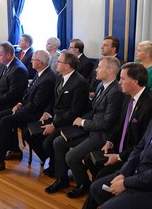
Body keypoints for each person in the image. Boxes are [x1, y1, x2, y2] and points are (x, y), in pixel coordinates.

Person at [90, 75, 152, 209]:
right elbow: (140, 147)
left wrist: (126, 183)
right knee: (96, 188)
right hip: (139, 175)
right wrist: (123, 173)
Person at [45, 56, 124, 198]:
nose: (96, 70)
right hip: (90, 128)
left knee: (71, 156)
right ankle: (62, 178)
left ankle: (83, 184)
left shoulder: (116, 92)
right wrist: (82, 119)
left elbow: (107, 123)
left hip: (101, 135)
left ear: (110, 71)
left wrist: (83, 123)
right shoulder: (102, 85)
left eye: (99, 67)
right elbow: (94, 110)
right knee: (58, 142)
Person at [82, 63, 152, 209]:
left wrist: (119, 157)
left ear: (135, 81)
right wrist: (110, 141)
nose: (119, 82)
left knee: (100, 177)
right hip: (119, 149)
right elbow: (120, 125)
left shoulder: (150, 105)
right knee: (90, 160)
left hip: (132, 157)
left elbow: (143, 143)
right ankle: (108, 195)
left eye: (123, 79)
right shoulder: (128, 97)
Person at [0, 50, 57, 174]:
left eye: (33, 60)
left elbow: (36, 104)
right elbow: (28, 93)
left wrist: (20, 109)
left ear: (40, 63)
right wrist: (19, 104)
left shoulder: (47, 78)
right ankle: (14, 149)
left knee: (5, 120)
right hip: (28, 108)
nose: (31, 61)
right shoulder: (41, 73)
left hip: (36, 114)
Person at [24, 50, 89, 173]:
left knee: (48, 143)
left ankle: (58, 167)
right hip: (55, 117)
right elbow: (53, 100)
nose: (56, 64)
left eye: (59, 62)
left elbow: (74, 111)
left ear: (67, 66)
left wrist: (54, 125)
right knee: (29, 133)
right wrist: (47, 113)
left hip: (68, 122)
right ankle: (55, 161)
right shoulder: (59, 77)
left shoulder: (79, 82)